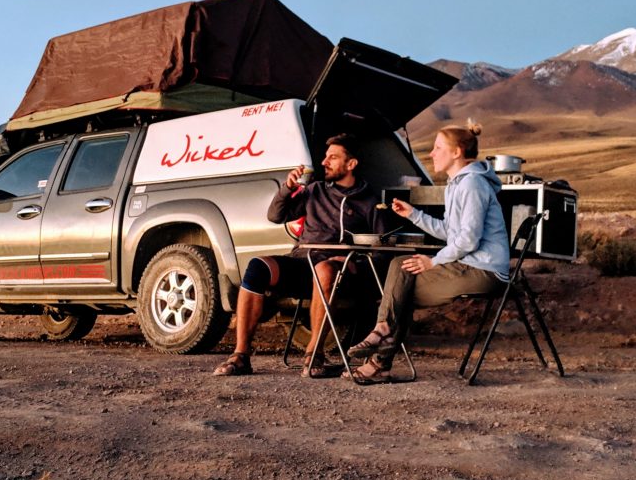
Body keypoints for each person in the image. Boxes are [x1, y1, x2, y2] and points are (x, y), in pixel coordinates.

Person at [344, 122, 510, 384]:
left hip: (485, 270)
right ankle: (381, 342)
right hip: (470, 264)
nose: (431, 153)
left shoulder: (473, 185)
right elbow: (450, 232)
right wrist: (413, 214)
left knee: (401, 289)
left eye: (437, 147)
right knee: (401, 268)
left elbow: (467, 240)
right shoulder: (457, 184)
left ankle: (380, 354)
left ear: (456, 152)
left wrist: (434, 262)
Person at [213, 133, 388, 378]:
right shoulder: (314, 190)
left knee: (325, 269)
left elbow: (381, 253)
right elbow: (275, 216)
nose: (324, 162)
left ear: (351, 165)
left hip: (340, 272)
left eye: (333, 158)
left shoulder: (370, 202)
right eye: (325, 157)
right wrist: (288, 188)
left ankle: (313, 353)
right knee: (258, 267)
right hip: (303, 262)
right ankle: (241, 355)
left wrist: (353, 264)